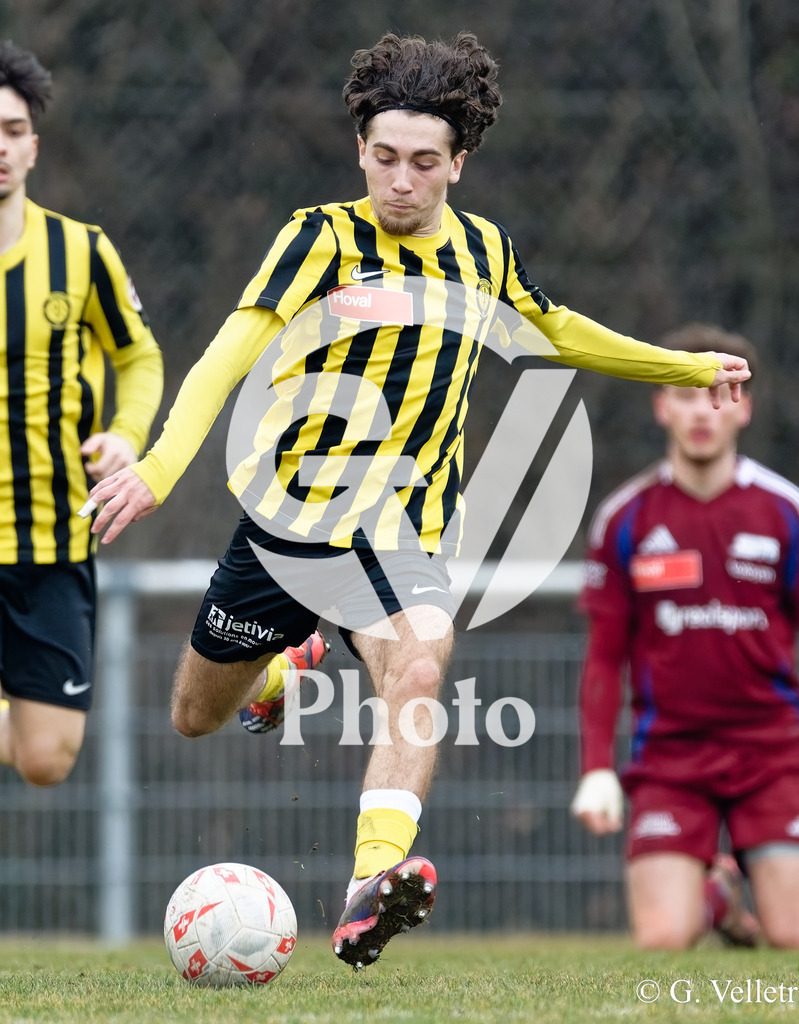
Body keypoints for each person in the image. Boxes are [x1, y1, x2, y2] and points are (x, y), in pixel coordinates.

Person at [85, 33, 749, 969]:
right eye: (385, 158)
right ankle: (279, 670)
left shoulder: (482, 252)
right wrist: (158, 469)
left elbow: (553, 328)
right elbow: (225, 356)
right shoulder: (316, 239)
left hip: (402, 535)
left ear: (458, 164)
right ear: (361, 150)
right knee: (194, 713)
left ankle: (368, 885)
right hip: (288, 528)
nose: (402, 180)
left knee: (421, 672)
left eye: (425, 163)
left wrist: (680, 364)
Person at [571, 323, 799, 950]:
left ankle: (745, 887)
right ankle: (714, 895)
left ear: (745, 406)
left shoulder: (786, 511)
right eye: (686, 392)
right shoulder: (625, 519)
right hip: (671, 760)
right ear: (661, 403)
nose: (703, 410)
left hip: (773, 754)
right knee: (664, 940)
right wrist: (597, 768)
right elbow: (604, 657)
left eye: (721, 393)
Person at [0, 42, 163, 788]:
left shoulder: (81, 252)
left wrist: (126, 439)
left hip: (52, 545)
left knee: (45, 760)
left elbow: (139, 358)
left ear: (34, 144)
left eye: (11, 130)